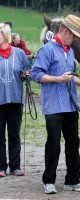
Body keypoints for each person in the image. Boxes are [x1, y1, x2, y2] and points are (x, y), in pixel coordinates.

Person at [31, 14, 80, 194]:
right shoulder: (47, 50)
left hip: (69, 105)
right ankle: (49, 181)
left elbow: (70, 76)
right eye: (74, 35)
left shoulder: (70, 51)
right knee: (53, 144)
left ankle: (72, 181)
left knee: (73, 143)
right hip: (53, 105)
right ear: (66, 31)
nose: (76, 39)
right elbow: (36, 74)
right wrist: (58, 79)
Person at [0, 23, 30, 177]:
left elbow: (27, 69)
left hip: (15, 99)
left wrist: (26, 74)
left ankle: (15, 166)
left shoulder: (19, 53)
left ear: (5, 35)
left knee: (14, 134)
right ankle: (0, 167)